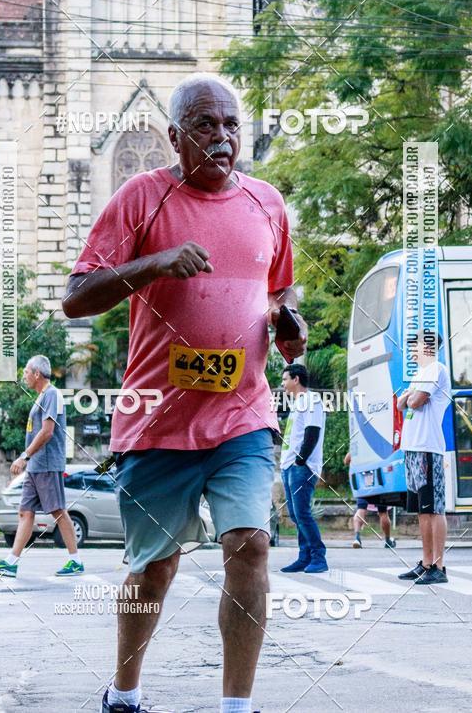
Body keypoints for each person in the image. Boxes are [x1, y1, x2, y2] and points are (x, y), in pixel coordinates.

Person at [62, 73, 307, 713]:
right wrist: (154, 262)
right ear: (175, 136)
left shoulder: (268, 203)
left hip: (243, 414)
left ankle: (236, 706)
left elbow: (280, 289)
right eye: (205, 125)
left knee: (249, 544)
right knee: (154, 569)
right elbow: (75, 296)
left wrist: (289, 325)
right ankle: (125, 690)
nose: (223, 137)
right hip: (157, 419)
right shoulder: (141, 197)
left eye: (231, 124)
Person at [0, 355, 84, 578]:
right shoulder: (40, 397)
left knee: (58, 511)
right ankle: (11, 562)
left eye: (26, 372)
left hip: (46, 463)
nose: (24, 376)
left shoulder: (52, 394)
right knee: (25, 512)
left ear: (37, 373)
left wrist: (24, 456)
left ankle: (75, 561)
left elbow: (47, 432)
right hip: (35, 466)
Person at [396, 332, 451, 585]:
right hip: (412, 447)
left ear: (428, 347)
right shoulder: (420, 374)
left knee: (434, 507)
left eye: (415, 345)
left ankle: (438, 566)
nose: (411, 350)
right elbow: (400, 405)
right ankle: (426, 562)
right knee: (421, 509)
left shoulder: (436, 369)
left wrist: (409, 396)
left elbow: (415, 401)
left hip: (428, 447)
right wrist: (408, 397)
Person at [279, 364, 327, 574]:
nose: (283, 384)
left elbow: (312, 431)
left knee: (302, 513)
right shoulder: (298, 402)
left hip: (302, 467)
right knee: (295, 514)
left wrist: (301, 459)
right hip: (289, 465)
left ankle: (319, 556)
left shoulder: (311, 400)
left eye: (285, 379)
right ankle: (304, 556)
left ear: (296, 379)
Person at [343, 453, 396, 550]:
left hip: (364, 481)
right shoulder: (379, 446)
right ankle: (387, 540)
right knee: (383, 512)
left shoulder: (362, 445)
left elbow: (346, 461)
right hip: (379, 479)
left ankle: (357, 537)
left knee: (361, 509)